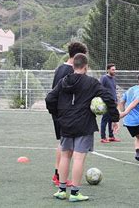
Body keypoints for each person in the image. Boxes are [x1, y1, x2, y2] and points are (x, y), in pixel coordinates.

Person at [45, 53, 120, 202]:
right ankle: (74, 193)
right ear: (86, 67)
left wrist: (58, 113)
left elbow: (49, 98)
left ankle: (61, 190)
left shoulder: (63, 81)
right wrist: (115, 117)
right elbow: (109, 98)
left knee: (66, 156)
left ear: (73, 66)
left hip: (65, 123)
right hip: (84, 124)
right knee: (79, 158)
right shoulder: (91, 82)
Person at [51, 41, 87, 187]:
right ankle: (60, 176)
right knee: (67, 147)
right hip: (65, 114)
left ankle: (57, 174)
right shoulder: (70, 71)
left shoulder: (60, 68)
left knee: (63, 144)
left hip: (59, 112)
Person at [100, 63, 121, 143]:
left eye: (114, 69)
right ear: (108, 70)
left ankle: (111, 136)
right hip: (106, 102)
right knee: (105, 119)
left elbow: (113, 90)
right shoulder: (104, 78)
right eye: (112, 69)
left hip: (113, 102)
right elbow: (100, 88)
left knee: (111, 120)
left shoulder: (113, 78)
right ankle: (103, 137)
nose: (114, 71)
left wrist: (116, 99)